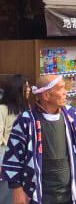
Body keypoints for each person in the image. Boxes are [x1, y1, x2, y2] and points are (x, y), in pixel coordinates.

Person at [1, 75, 76, 204]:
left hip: (71, 194)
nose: (65, 92)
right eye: (61, 88)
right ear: (46, 96)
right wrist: (17, 189)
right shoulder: (26, 120)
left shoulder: (72, 116)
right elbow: (13, 157)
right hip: (37, 194)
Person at [0, 75, 25, 204]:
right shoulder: (2, 109)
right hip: (6, 157)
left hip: (23, 157)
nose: (29, 89)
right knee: (6, 194)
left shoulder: (25, 108)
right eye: (26, 87)